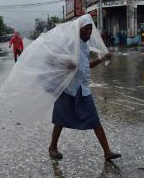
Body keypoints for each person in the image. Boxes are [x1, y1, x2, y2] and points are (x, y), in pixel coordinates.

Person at [48, 15, 122, 161]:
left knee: (94, 120)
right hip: (68, 88)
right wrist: (66, 65)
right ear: (78, 30)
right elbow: (52, 59)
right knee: (60, 120)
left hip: (82, 88)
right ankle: (53, 147)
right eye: (86, 30)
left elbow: (84, 66)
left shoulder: (84, 46)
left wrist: (101, 59)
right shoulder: (70, 44)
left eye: (90, 30)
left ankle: (107, 152)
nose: (89, 33)